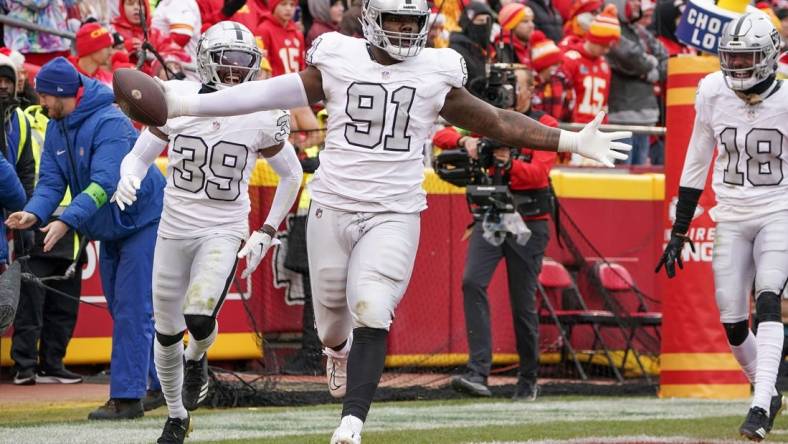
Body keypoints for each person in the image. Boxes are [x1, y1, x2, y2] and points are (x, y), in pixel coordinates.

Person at [157, 0, 631, 439]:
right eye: (395, 21)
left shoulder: (435, 70)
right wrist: (185, 104)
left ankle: (351, 423)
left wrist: (568, 140)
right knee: (331, 327)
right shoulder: (338, 58)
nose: (404, 32)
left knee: (374, 305)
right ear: (370, 20)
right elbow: (262, 94)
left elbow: (497, 121)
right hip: (333, 205)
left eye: (412, 22)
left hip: (395, 209)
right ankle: (337, 352)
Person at [112, 21, 302, 444]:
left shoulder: (262, 113)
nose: (234, 72)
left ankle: (197, 356)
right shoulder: (177, 98)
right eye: (225, 62)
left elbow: (292, 176)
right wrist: (130, 175)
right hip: (174, 228)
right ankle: (177, 416)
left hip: (223, 227)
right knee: (165, 331)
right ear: (204, 60)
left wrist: (267, 231)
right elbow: (139, 156)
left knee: (198, 315)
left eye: (242, 64)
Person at [5, 58, 166, 421]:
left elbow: (105, 184)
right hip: (112, 227)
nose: (40, 103)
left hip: (143, 221)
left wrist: (66, 222)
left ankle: (127, 398)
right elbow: (50, 182)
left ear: (64, 94)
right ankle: (164, 383)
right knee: (123, 307)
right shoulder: (58, 123)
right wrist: (34, 212)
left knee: (131, 309)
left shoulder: (110, 122)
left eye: (45, 96)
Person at [655, 13, 786, 441]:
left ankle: (760, 403)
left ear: (768, 57)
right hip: (730, 212)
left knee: (768, 296)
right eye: (731, 57)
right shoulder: (713, 92)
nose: (737, 67)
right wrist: (679, 231)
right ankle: (769, 389)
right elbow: (696, 160)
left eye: (747, 57)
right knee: (732, 319)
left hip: (779, 208)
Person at [434, 67, 557, 402]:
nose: (503, 91)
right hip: (491, 215)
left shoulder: (544, 123)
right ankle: (477, 371)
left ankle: (528, 378)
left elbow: (537, 175)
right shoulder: (489, 118)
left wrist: (506, 162)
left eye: (511, 85)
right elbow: (440, 136)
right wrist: (467, 141)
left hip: (528, 220)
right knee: (472, 281)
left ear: (531, 88)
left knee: (522, 303)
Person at [606, 0, 667, 165]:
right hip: (621, 117)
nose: (637, 4)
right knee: (622, 180)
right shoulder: (608, 28)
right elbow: (632, 58)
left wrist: (648, 73)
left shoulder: (639, 31)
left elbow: (665, 57)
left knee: (641, 176)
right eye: (633, 0)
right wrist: (649, 65)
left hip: (647, 117)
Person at [449, 2, 495, 98]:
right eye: (480, 21)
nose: (485, 26)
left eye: (488, 21)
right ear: (468, 23)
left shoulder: (491, 48)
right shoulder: (457, 50)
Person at [257, 0, 306, 76]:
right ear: (274, 6)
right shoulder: (263, 30)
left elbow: (302, 65)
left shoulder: (297, 33)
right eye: (283, 4)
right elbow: (263, 63)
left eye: (292, 5)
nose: (288, 8)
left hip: (295, 85)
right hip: (274, 84)